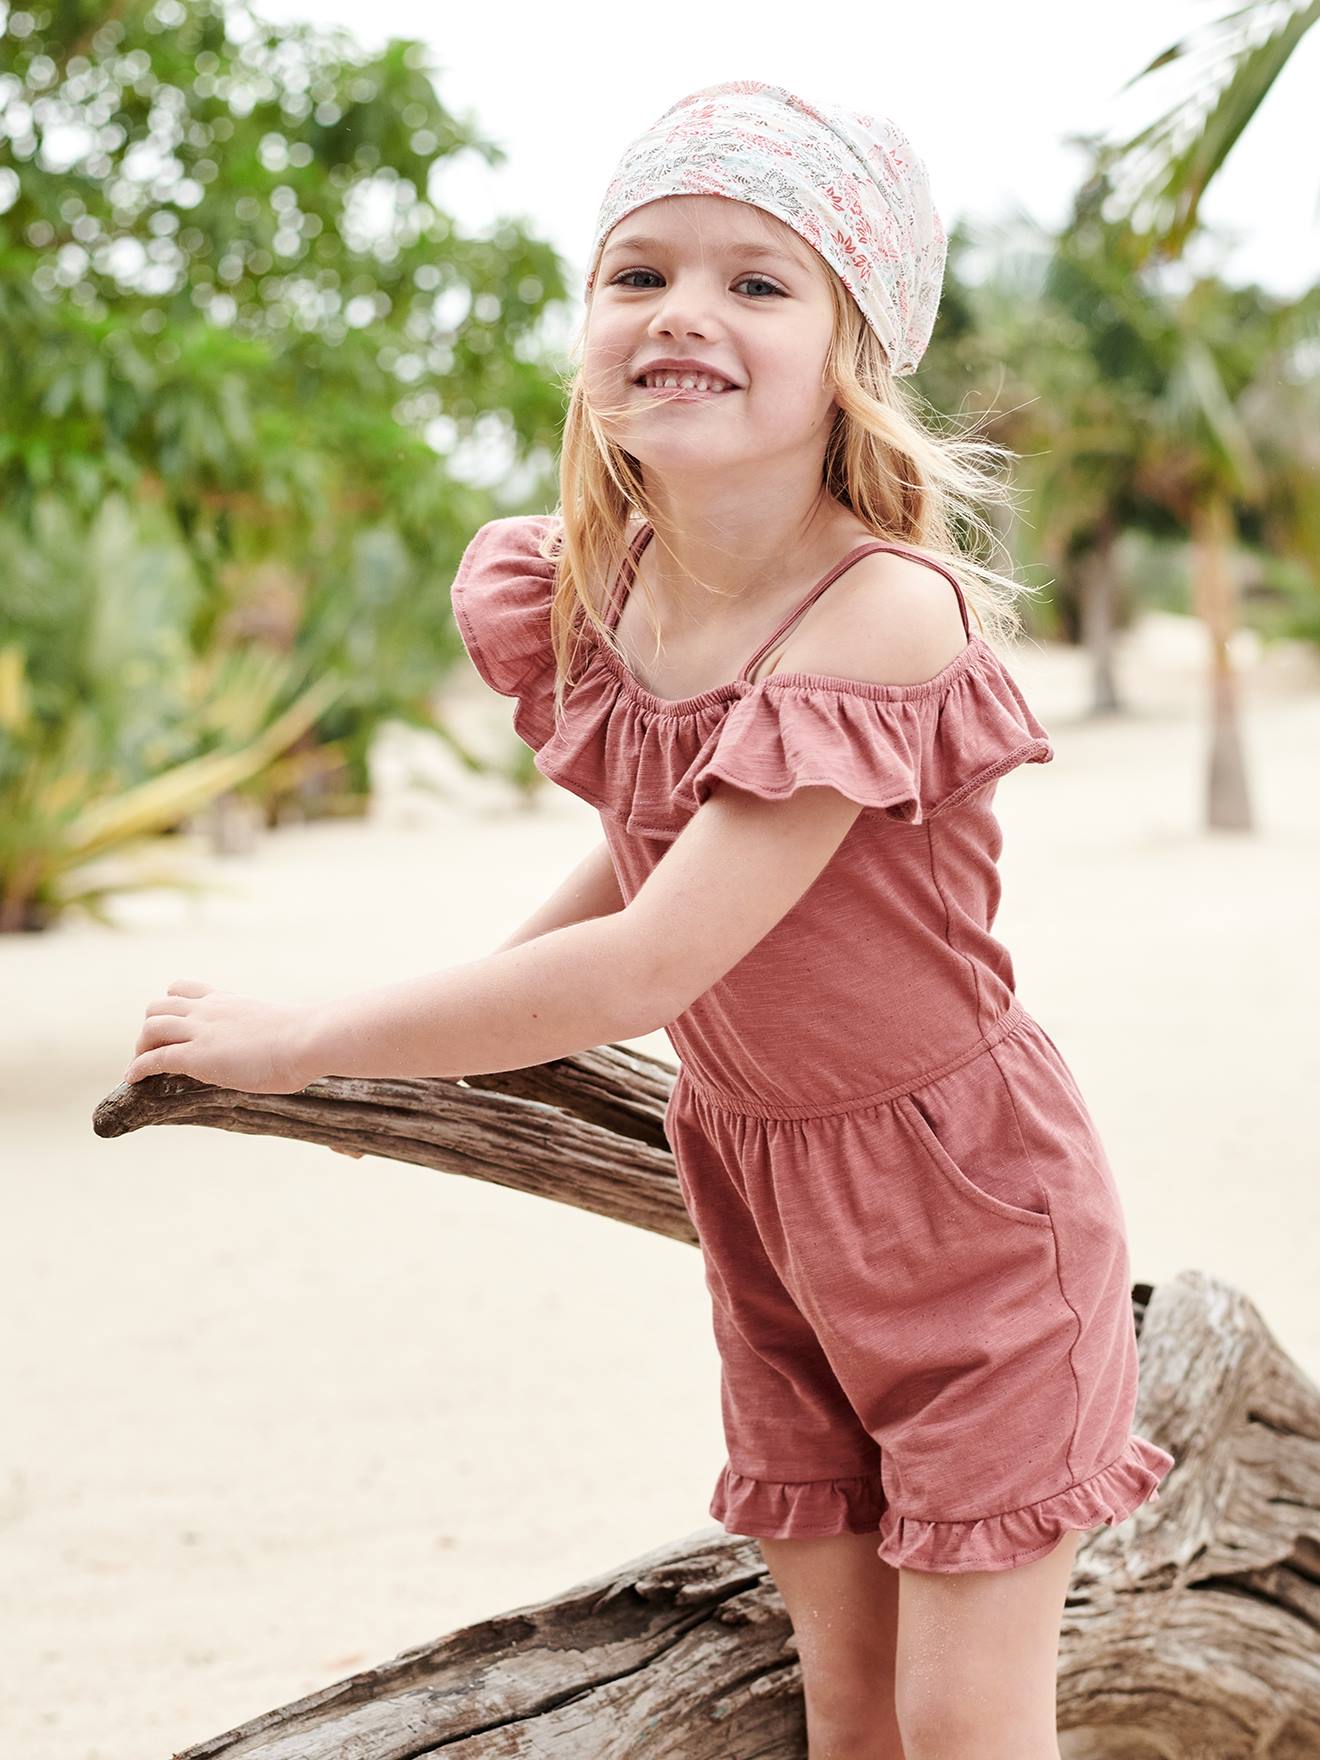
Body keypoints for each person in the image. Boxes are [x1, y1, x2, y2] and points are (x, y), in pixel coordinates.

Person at [124, 80, 1175, 1760]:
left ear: (852, 352)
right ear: (590, 330)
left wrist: (311, 1041)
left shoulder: (879, 609)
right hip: (759, 1187)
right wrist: (456, 1019)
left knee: (969, 1723)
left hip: (966, 1206)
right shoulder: (600, 584)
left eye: (759, 282)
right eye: (640, 273)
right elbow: (640, 866)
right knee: (848, 1707)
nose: (686, 310)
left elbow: (653, 959)